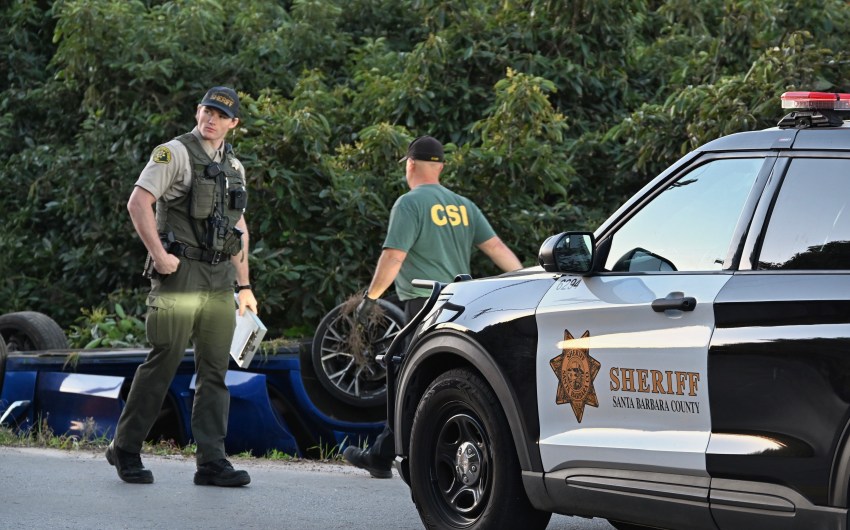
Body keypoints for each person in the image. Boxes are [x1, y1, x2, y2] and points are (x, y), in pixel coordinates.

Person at [343, 135, 523, 478]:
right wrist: (525, 282)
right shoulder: (463, 205)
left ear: (410, 165)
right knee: (439, 379)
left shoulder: (409, 204)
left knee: (409, 380)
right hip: (459, 303)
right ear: (440, 167)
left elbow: (394, 256)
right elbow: (497, 248)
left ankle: (393, 457)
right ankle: (385, 454)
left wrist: (372, 298)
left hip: (422, 303)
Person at [106, 86, 257, 487]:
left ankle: (211, 461)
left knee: (215, 370)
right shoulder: (172, 153)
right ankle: (126, 447)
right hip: (180, 273)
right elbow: (138, 202)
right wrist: (158, 256)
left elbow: (239, 227)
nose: (211, 119)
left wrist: (245, 285)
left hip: (220, 277)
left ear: (233, 123)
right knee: (165, 359)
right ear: (198, 111)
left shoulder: (235, 168)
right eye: (207, 110)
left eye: (221, 115)